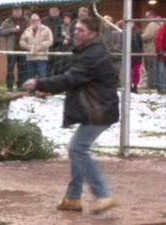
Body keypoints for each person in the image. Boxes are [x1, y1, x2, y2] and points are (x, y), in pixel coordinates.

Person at [22, 17, 118, 214]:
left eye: (81, 30)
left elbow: (71, 78)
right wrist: (50, 90)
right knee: (77, 150)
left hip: (99, 110)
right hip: (95, 108)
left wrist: (40, 83)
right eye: (75, 30)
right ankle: (73, 198)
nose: (76, 33)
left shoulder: (94, 54)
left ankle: (103, 195)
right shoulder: (88, 52)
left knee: (78, 148)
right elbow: (77, 80)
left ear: (93, 34)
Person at [0, 4, 29, 91]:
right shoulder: (7, 21)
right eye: (15, 10)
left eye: (19, 10)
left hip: (23, 49)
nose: (17, 12)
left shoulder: (26, 20)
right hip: (11, 50)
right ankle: (9, 87)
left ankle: (21, 87)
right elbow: (1, 31)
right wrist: (12, 30)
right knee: (10, 70)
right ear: (12, 11)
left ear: (21, 11)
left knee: (23, 70)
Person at [20, 14, 53, 80]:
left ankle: (42, 90)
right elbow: (21, 41)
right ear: (30, 21)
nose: (34, 22)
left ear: (40, 21)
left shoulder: (46, 29)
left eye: (36, 20)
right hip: (30, 57)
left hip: (42, 57)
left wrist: (40, 47)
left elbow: (50, 41)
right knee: (30, 77)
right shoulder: (27, 30)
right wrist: (28, 47)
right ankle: (30, 90)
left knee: (42, 76)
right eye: (32, 20)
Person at [141, 10, 160, 89]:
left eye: (147, 16)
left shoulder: (152, 24)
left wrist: (140, 37)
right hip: (152, 49)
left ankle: (151, 84)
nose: (146, 18)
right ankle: (152, 83)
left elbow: (149, 35)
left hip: (150, 49)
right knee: (152, 67)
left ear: (151, 16)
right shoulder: (155, 24)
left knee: (151, 67)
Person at [42, 7, 62, 76]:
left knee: (57, 67)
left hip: (58, 48)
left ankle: (56, 83)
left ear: (59, 12)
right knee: (47, 67)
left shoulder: (61, 21)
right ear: (49, 11)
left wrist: (58, 41)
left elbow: (62, 35)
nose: (54, 12)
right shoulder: (44, 21)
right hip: (46, 48)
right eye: (53, 10)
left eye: (56, 11)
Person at [131, 24, 144, 93]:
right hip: (129, 55)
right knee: (129, 72)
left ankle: (135, 86)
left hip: (137, 56)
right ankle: (129, 86)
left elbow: (141, 46)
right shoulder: (126, 34)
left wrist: (140, 54)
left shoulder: (138, 35)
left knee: (136, 72)